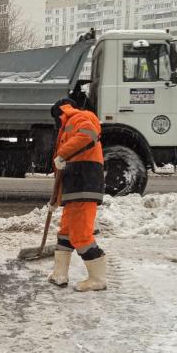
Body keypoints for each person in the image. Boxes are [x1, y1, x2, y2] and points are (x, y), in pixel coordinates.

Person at [47, 89, 106, 291]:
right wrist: (56, 199)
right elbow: (62, 169)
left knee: (81, 234)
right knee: (65, 232)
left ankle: (98, 279)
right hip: (74, 186)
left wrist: (62, 154)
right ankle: (59, 274)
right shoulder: (66, 129)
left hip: (85, 183)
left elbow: (88, 135)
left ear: (60, 112)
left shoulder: (80, 117)